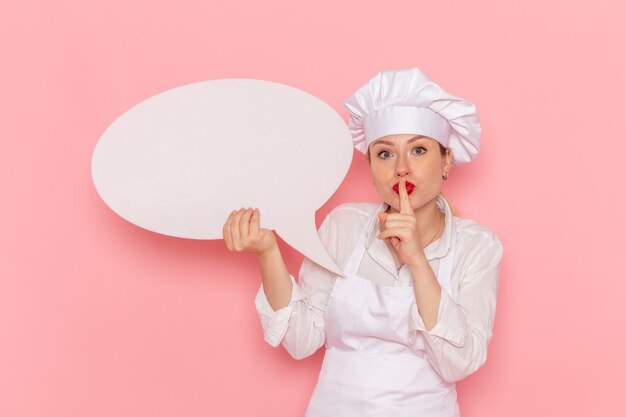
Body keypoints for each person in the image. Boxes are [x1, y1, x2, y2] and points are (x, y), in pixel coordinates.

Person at [222, 68, 503, 417]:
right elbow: (301, 340)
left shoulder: (477, 246)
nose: (401, 168)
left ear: (445, 161)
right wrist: (267, 252)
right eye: (385, 154)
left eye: (418, 150)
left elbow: (459, 363)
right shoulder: (344, 224)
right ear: (369, 164)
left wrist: (417, 260)